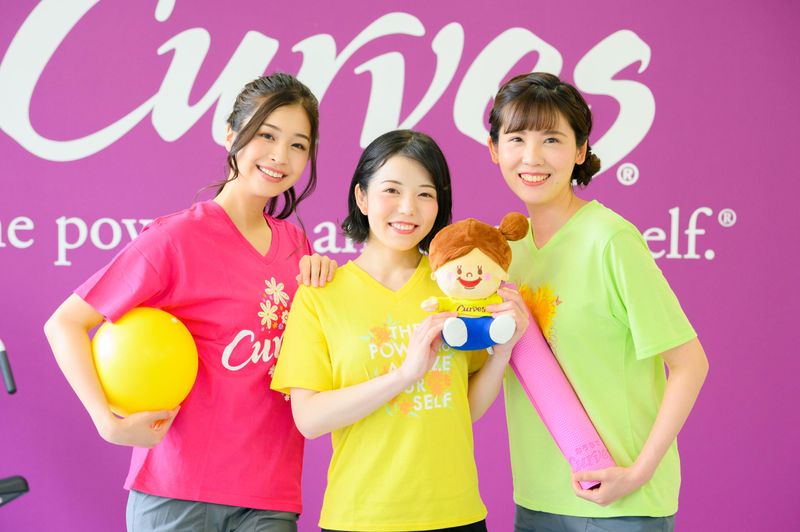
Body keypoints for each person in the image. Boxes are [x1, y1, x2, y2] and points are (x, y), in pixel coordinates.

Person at [43, 73, 336, 532]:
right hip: (176, 489)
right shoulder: (175, 238)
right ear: (231, 134)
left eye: (298, 144)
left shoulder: (298, 247)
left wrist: (327, 282)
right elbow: (65, 324)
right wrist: (107, 422)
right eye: (266, 135)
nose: (281, 155)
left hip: (270, 493)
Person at [270, 129, 528, 532]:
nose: (408, 208)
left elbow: (464, 408)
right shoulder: (321, 294)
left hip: (456, 513)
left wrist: (503, 353)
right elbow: (309, 419)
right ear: (362, 197)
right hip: (360, 517)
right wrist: (405, 375)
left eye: (425, 194)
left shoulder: (457, 287)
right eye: (391, 190)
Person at [486, 72, 709, 531]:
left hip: (619, 503)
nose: (532, 157)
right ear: (494, 149)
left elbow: (690, 363)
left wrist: (638, 473)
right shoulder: (505, 253)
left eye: (551, 139)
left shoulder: (610, 240)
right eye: (516, 139)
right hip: (537, 498)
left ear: (580, 150)